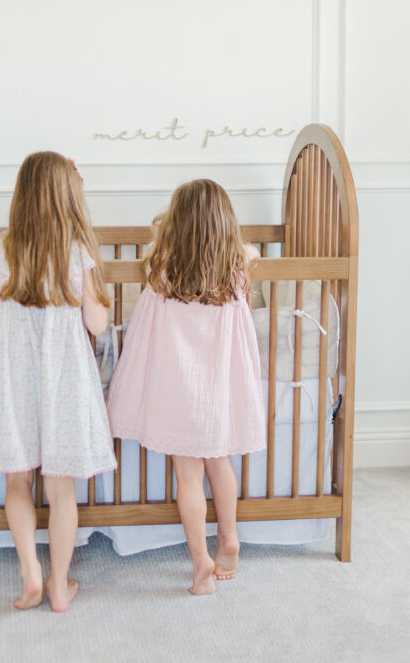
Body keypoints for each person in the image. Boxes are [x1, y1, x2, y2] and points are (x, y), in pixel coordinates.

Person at [0, 152, 116, 612]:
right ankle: (59, 584)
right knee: (61, 488)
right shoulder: (77, 252)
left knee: (17, 483)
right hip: (64, 380)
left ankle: (30, 573)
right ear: (67, 196)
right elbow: (98, 323)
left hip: (13, 378)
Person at [107, 179, 265, 595]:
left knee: (188, 478)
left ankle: (201, 563)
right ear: (225, 225)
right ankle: (228, 537)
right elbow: (252, 251)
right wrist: (242, 249)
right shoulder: (236, 267)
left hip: (179, 391)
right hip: (217, 393)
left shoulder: (162, 268)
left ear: (176, 223)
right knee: (220, 463)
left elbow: (153, 252)